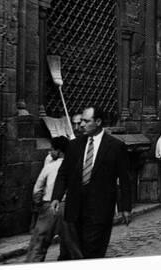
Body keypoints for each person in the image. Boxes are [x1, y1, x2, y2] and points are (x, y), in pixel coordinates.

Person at [51, 107, 132, 259]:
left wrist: (125, 207)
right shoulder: (74, 145)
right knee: (69, 252)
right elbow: (64, 173)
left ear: (98, 122)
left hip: (100, 210)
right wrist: (56, 196)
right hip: (74, 208)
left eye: (86, 121)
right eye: (81, 120)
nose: (81, 124)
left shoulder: (115, 146)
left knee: (92, 252)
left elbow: (125, 178)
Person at [25, 137, 69, 262]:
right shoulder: (75, 165)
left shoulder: (50, 166)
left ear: (59, 151)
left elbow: (37, 189)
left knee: (39, 245)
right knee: (68, 245)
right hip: (68, 207)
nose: (50, 153)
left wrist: (39, 204)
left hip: (49, 206)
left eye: (52, 150)